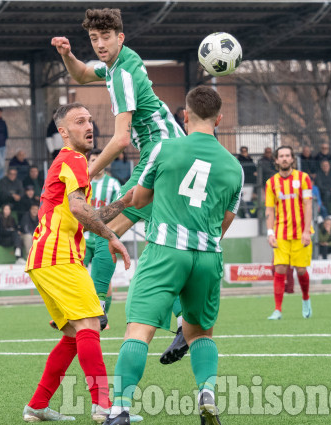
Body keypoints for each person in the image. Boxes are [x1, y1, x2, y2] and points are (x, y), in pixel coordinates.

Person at [52, 8, 186, 371]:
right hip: (170, 157)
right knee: (164, 244)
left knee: (99, 233)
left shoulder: (123, 73)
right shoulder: (115, 66)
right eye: (94, 39)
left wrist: (86, 172)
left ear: (120, 38)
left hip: (161, 157)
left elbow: (121, 139)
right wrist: (67, 54)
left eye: (105, 37)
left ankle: (95, 312)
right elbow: (81, 72)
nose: (99, 45)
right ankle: (184, 324)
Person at [103, 86, 242, 425]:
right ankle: (206, 394)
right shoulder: (234, 167)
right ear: (219, 119)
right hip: (207, 257)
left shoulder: (165, 148)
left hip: (165, 251)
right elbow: (224, 222)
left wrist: (112, 211)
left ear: (184, 116)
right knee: (199, 334)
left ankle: (119, 408)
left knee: (138, 331)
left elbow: (140, 198)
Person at [22, 103, 134, 423]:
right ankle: (103, 405)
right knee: (90, 325)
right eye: (79, 121)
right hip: (58, 257)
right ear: (63, 133)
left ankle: (38, 404)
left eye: (90, 120)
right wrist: (111, 236)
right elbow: (79, 209)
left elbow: (82, 215)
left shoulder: (70, 162)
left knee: (74, 334)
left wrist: (124, 203)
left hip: (45, 258)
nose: (89, 126)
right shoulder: (73, 158)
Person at [265, 145, 313, 321]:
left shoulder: (304, 178)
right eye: (281, 156)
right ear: (276, 160)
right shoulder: (271, 183)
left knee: (301, 270)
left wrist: (307, 231)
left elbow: (308, 205)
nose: (284, 158)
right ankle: (277, 310)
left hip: (301, 233)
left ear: (292, 159)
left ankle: (306, 299)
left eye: (287, 155)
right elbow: (269, 209)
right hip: (281, 233)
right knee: (280, 268)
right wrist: (270, 233)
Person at [83, 148, 122, 321]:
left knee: (104, 278)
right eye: (92, 160)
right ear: (88, 162)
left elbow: (119, 209)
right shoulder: (83, 183)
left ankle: (103, 316)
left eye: (100, 160)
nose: (96, 163)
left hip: (103, 237)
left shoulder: (113, 184)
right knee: (77, 276)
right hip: (83, 239)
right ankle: (75, 313)